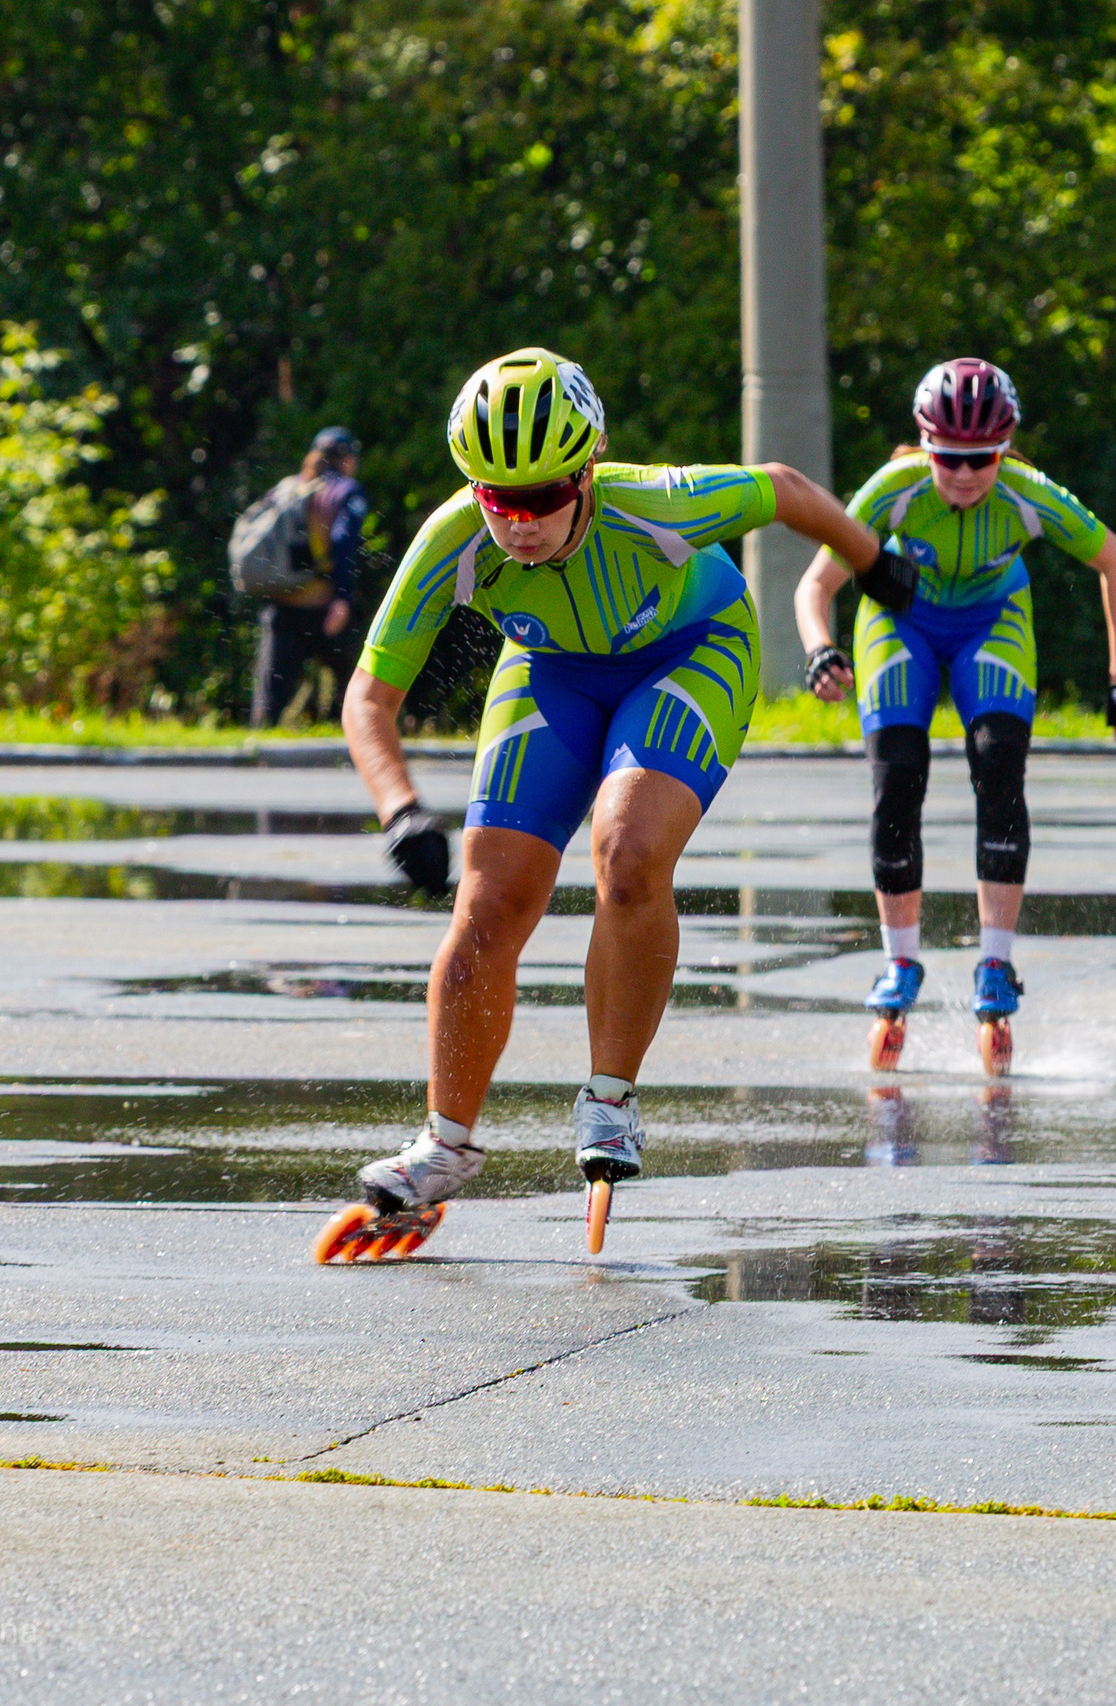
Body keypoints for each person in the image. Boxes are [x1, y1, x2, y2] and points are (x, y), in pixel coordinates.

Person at [332, 347, 888, 1228]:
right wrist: (399, 808)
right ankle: (443, 1144)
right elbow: (369, 697)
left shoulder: (656, 503)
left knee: (626, 855)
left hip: (692, 648)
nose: (520, 524)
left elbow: (783, 486)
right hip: (553, 670)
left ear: (587, 471)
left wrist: (877, 568)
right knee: (488, 901)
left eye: (545, 497)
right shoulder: (452, 540)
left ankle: (610, 1099)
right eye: (498, 500)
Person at [792, 357, 1116, 1071]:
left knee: (999, 770)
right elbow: (816, 584)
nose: (962, 475)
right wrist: (820, 649)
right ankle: (899, 967)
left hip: (993, 620)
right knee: (898, 783)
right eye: (948, 458)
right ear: (924, 445)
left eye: (981, 459)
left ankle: (995, 966)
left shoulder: (1026, 493)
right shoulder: (893, 489)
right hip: (901, 623)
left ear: (1006, 447)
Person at [252, 425, 371, 728]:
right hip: (323, 604)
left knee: (272, 693)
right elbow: (343, 541)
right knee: (354, 682)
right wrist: (343, 599)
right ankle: (355, 733)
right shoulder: (346, 491)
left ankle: (260, 738)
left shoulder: (288, 487)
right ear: (346, 459)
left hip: (281, 601)